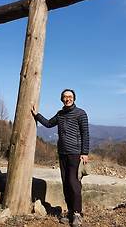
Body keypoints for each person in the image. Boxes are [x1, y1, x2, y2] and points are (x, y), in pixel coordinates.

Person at [32, 89, 89, 227]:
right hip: (62, 153)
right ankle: (70, 212)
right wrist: (36, 115)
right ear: (61, 99)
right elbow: (49, 123)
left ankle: (77, 214)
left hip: (75, 154)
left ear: (74, 98)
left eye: (70, 96)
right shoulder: (60, 114)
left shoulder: (81, 113)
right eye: (65, 97)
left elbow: (85, 133)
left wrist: (85, 152)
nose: (67, 99)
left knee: (74, 183)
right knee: (65, 183)